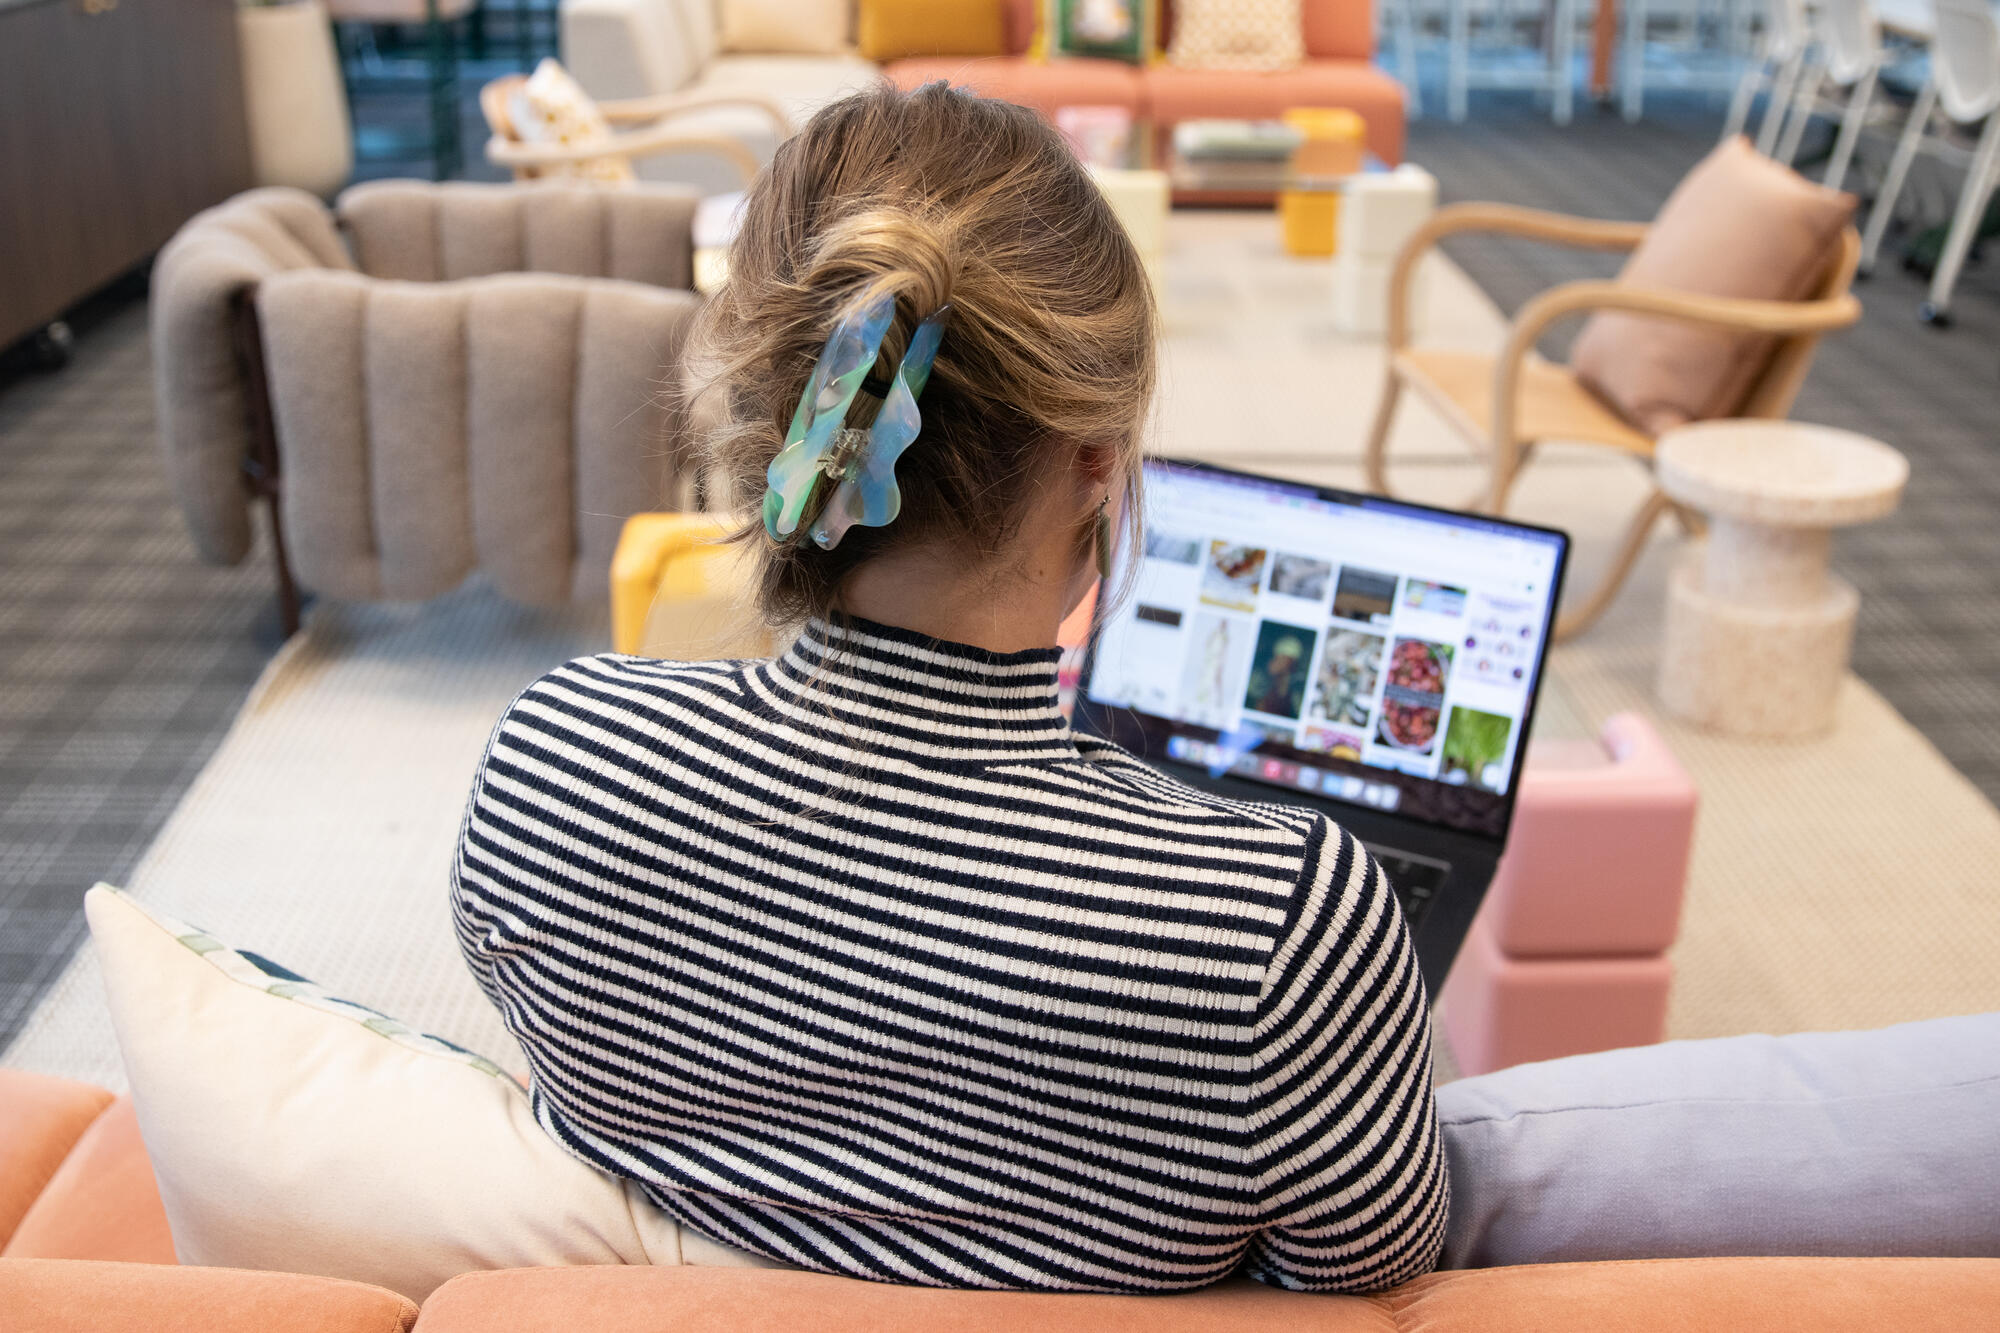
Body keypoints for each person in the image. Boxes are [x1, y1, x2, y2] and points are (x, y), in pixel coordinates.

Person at [451, 82, 1446, 1295]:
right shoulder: (1275, 926)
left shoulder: (551, 771)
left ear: (769, 408)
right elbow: (1375, 1275)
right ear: (1095, 457)